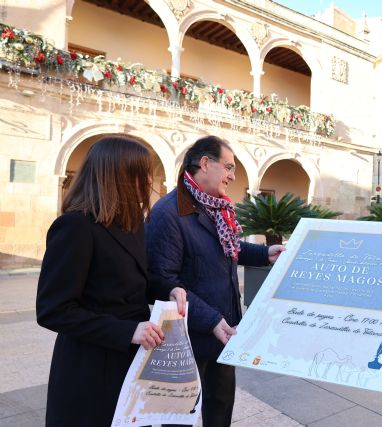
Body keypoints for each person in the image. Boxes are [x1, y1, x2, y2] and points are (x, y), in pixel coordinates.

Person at [36, 137, 187, 427]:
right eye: (140, 172)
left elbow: (134, 280)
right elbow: (53, 310)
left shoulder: (131, 224)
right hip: (89, 372)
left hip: (129, 366)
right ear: (116, 175)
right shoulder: (75, 227)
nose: (148, 179)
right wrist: (128, 331)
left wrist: (169, 288)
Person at [146, 135, 285, 427]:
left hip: (225, 331)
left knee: (220, 407)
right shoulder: (168, 213)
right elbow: (162, 281)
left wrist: (265, 254)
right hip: (189, 337)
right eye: (229, 167)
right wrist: (210, 319)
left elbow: (230, 249)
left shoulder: (218, 208)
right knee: (179, 414)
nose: (233, 176)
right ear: (205, 164)